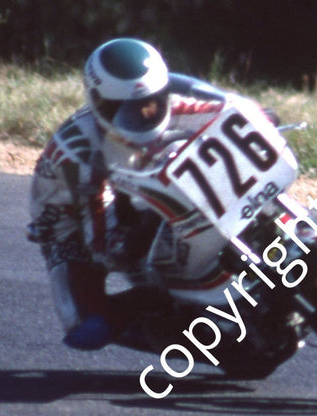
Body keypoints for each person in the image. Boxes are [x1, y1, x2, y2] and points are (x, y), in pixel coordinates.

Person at [26, 37, 268, 351]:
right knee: (87, 329)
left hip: (142, 182)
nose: (143, 114)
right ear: (98, 103)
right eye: (125, 109)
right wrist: (137, 234)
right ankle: (161, 313)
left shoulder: (172, 104)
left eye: (151, 102)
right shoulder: (81, 155)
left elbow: (231, 111)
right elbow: (99, 243)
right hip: (72, 225)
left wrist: (261, 118)